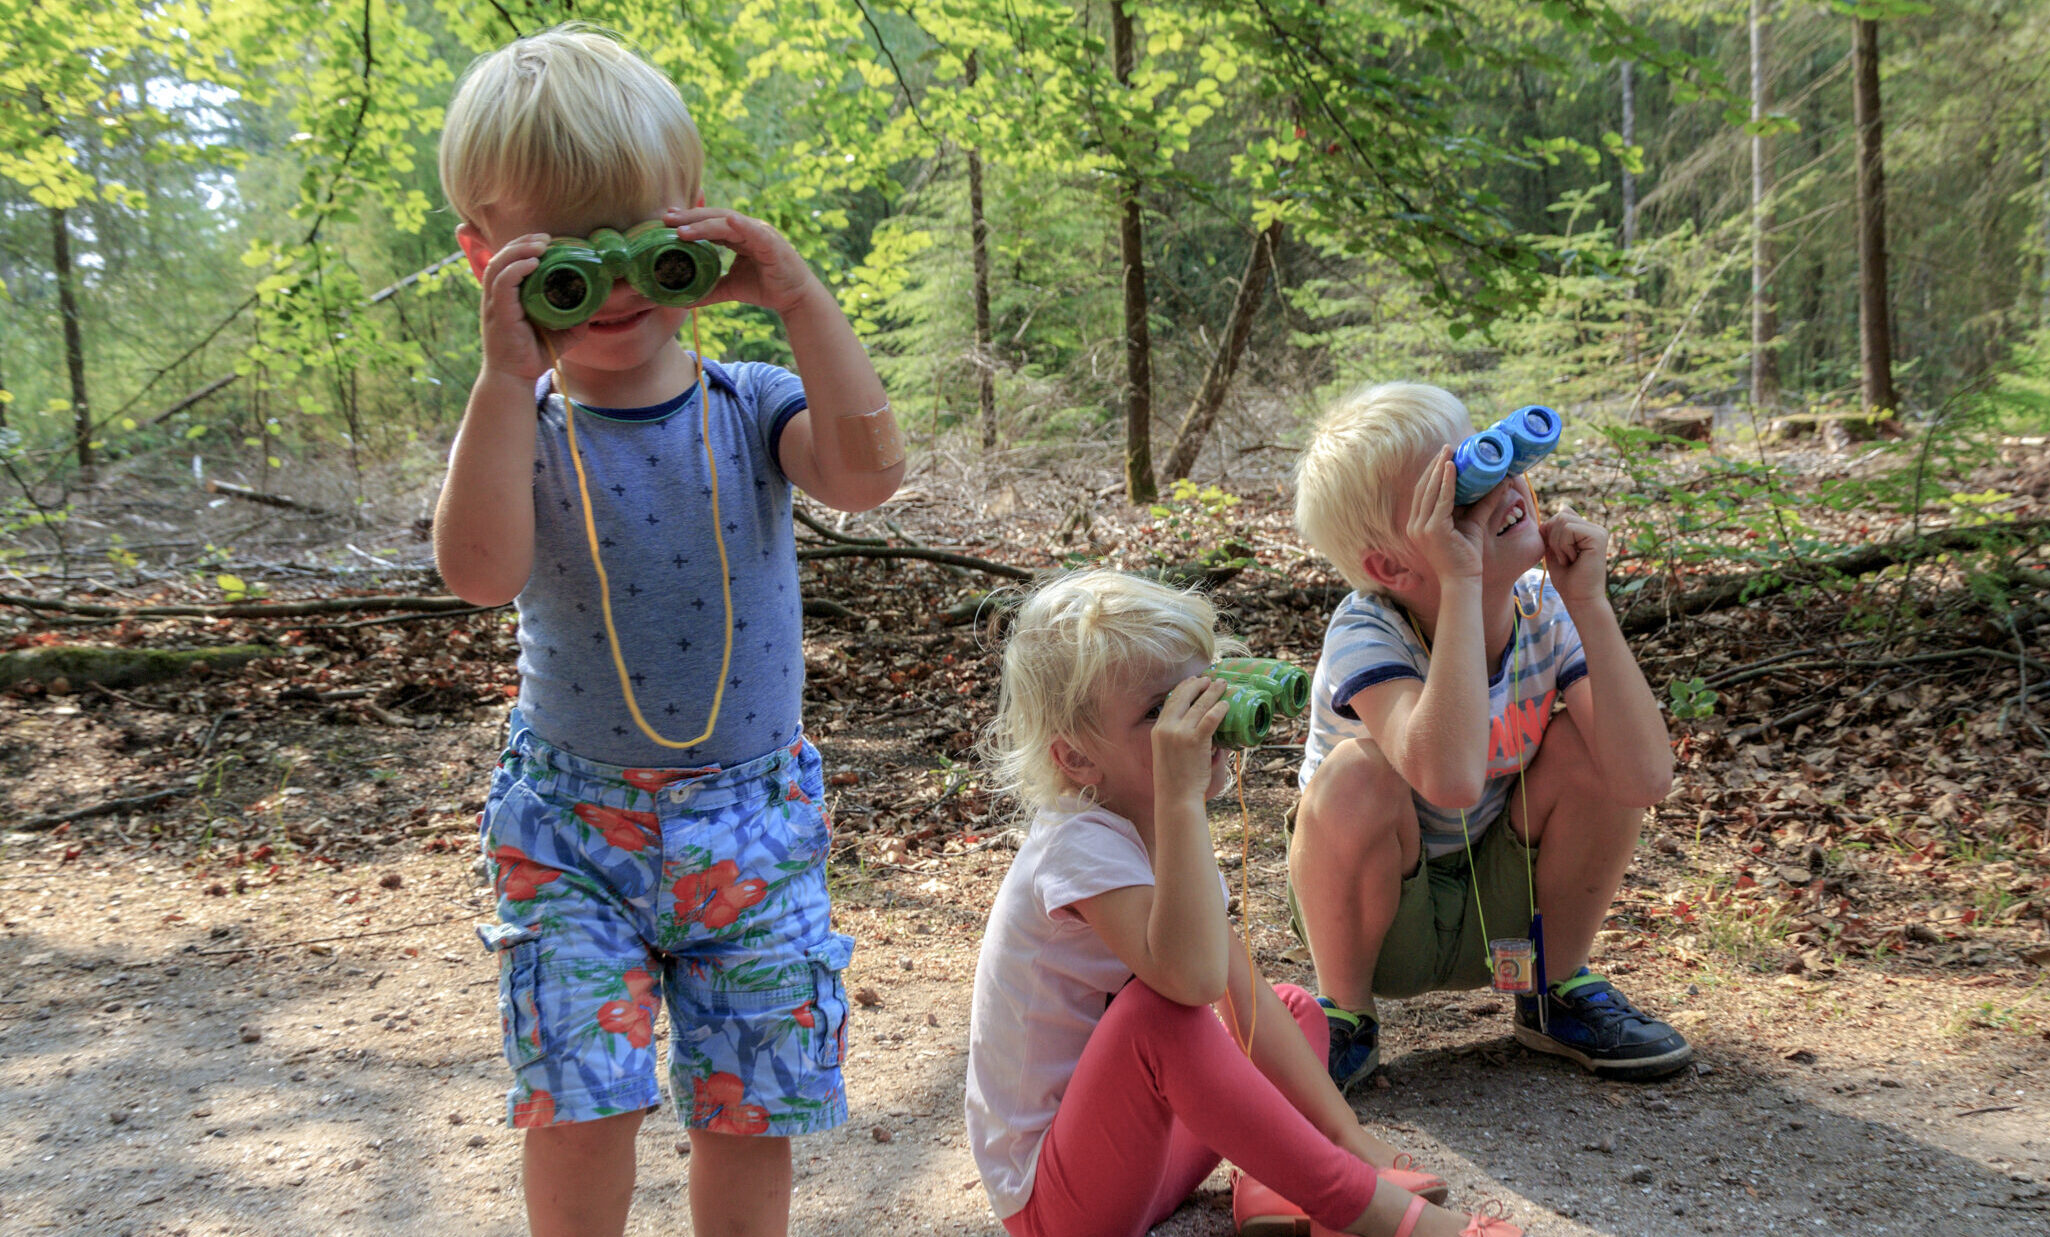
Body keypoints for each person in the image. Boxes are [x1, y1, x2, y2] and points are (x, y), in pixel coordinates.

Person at [433, 25, 904, 1237]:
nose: (616, 287)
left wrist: (796, 291)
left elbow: (867, 475)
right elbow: (478, 574)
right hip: (571, 827)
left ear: (696, 223)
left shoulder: (750, 405)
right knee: (578, 1097)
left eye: (637, 242)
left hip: (752, 818)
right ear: (487, 260)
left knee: (752, 1103)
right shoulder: (521, 428)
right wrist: (499, 380)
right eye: (564, 262)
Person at [966, 570, 1524, 1237]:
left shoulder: (1149, 819)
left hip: (1143, 1161)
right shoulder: (1077, 845)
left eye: (1203, 690)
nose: (1201, 722)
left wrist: (1350, 1134)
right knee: (1163, 1016)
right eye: (1159, 711)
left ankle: (1286, 1180)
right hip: (1057, 1202)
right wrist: (1180, 797)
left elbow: (1234, 983)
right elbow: (1190, 983)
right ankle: (1373, 1214)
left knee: (1285, 1008)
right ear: (1078, 759)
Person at [1288, 382, 1687, 1092]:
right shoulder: (1367, 630)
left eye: (1491, 457)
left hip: (1506, 911)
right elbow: (1446, 778)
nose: (1502, 484)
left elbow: (1644, 778)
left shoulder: (1543, 610)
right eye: (1457, 495)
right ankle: (1343, 1014)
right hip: (1380, 918)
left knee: (1592, 747)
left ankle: (1554, 987)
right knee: (1355, 775)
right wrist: (1465, 578)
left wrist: (1589, 604)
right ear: (1392, 566)